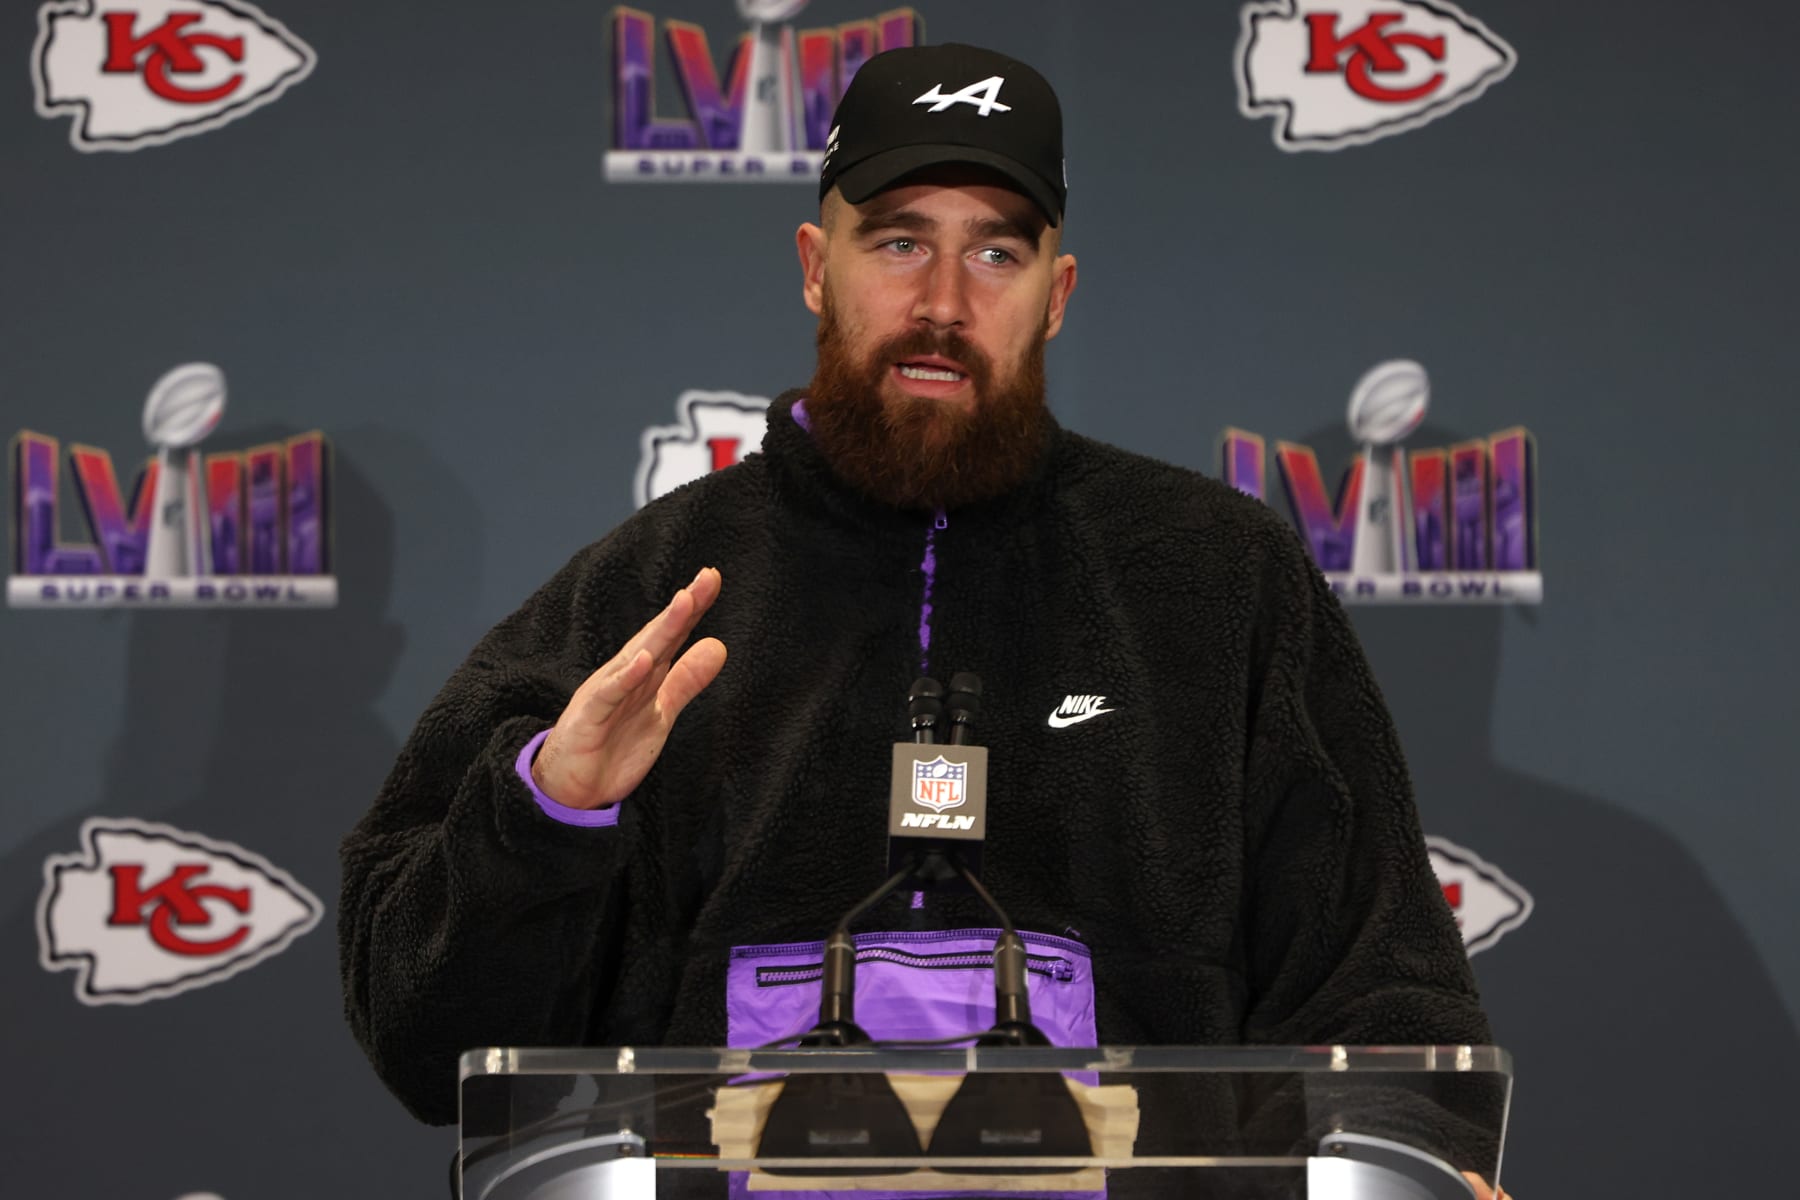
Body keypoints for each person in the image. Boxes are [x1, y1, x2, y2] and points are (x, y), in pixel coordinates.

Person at [339, 40, 1498, 1194]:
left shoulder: (1219, 575)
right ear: (814, 266)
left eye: (996, 250)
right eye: (898, 242)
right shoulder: (651, 594)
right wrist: (549, 812)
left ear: (1058, 292)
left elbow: (1380, 993)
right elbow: (425, 1042)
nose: (943, 303)